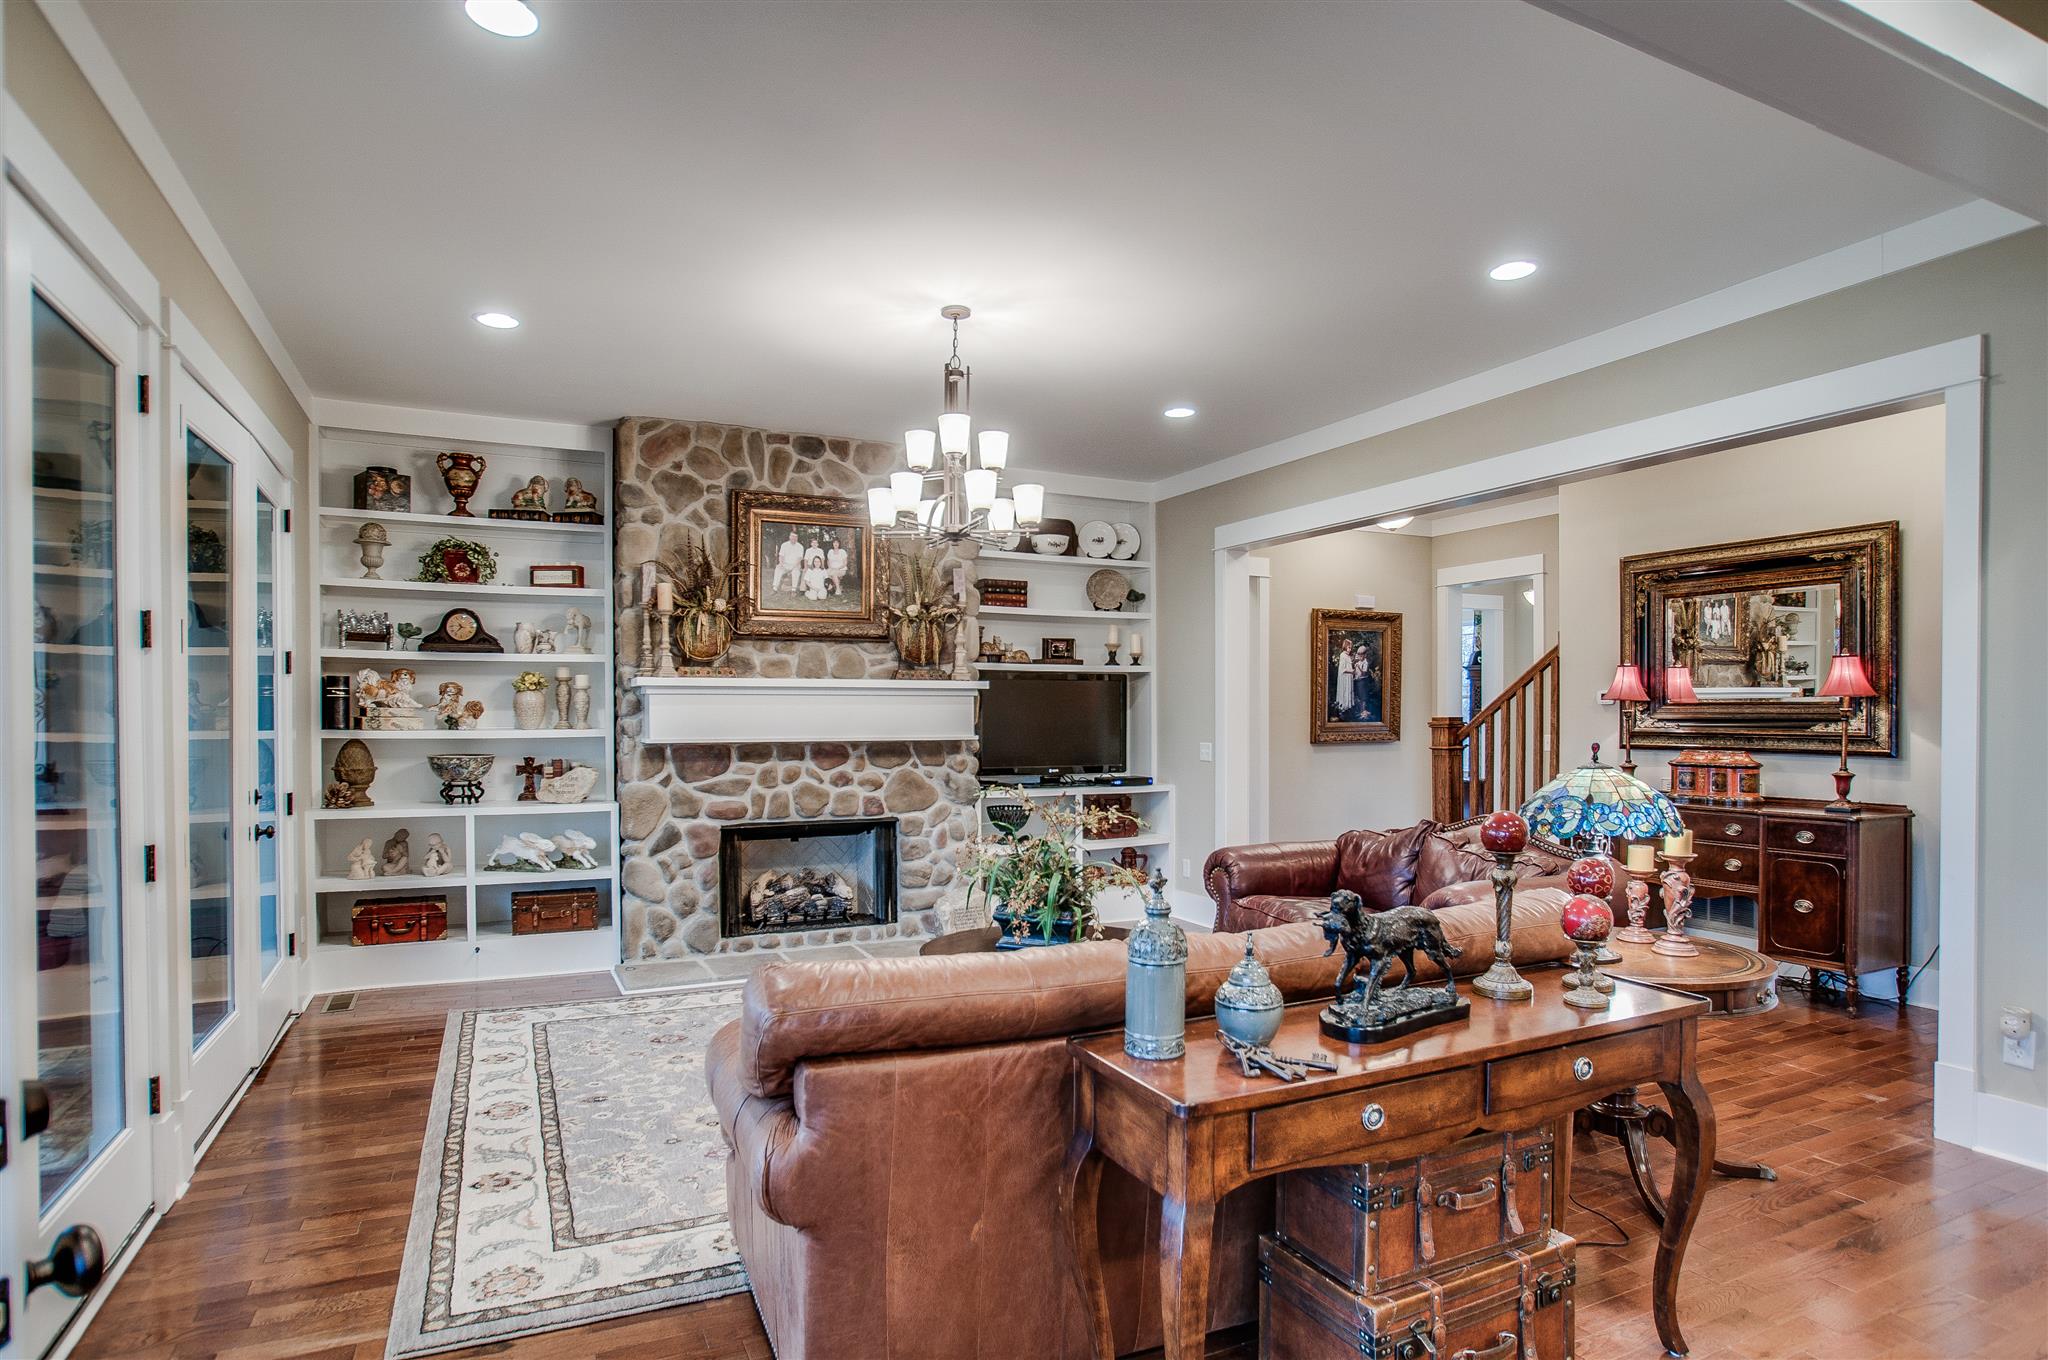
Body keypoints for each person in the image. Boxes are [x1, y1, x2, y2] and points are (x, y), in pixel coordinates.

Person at [770, 529, 803, 594]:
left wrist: (794, 567)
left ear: (797, 538)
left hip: (795, 565)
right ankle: (775, 589)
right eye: (792, 536)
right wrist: (781, 564)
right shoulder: (784, 545)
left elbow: (799, 558)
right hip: (785, 564)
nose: (794, 538)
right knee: (778, 568)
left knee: (796, 571)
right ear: (789, 536)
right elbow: (781, 556)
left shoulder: (800, 546)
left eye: (796, 537)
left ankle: (793, 590)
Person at [1334, 637, 1356, 718]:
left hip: (1348, 677)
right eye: (1349, 647)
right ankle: (1342, 710)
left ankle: (1347, 710)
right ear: (1345, 647)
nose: (1350, 649)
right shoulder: (1343, 655)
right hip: (1345, 678)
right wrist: (1351, 671)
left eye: (1351, 647)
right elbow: (1342, 669)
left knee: (1349, 691)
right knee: (1344, 691)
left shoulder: (1348, 656)